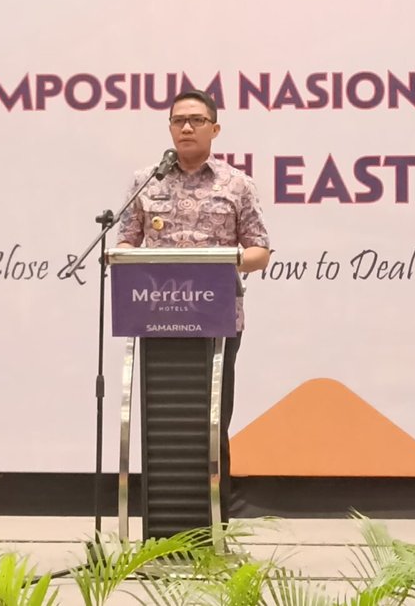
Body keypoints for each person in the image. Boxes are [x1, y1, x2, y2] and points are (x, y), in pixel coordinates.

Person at [116, 89, 270, 515]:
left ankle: (215, 523)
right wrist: (128, 258)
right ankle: (164, 521)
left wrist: (223, 262)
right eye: (178, 120)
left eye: (196, 120)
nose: (186, 127)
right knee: (165, 420)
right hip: (156, 316)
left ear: (214, 129)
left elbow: (259, 251)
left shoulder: (236, 184)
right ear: (169, 128)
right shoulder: (146, 181)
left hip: (217, 319)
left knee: (210, 420)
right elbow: (125, 242)